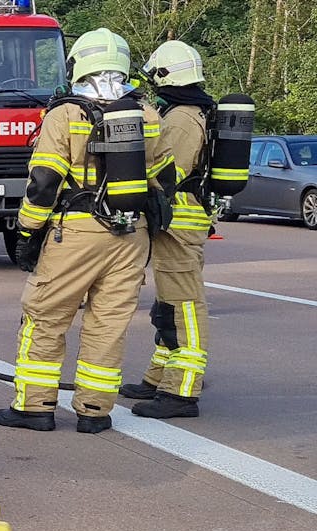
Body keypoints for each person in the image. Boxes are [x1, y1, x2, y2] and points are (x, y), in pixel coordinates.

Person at [0, 28, 171, 434]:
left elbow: (43, 181)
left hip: (76, 231)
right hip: (131, 234)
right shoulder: (145, 113)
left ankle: (34, 406)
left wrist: (26, 231)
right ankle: (94, 410)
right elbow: (163, 178)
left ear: (78, 64)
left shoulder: (65, 114)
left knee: (45, 316)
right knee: (109, 322)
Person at [120, 40, 216, 418]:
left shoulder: (180, 119)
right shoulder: (189, 111)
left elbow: (166, 174)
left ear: (165, 75)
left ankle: (182, 393)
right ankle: (159, 378)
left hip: (179, 221)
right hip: (176, 220)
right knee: (167, 306)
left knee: (185, 306)